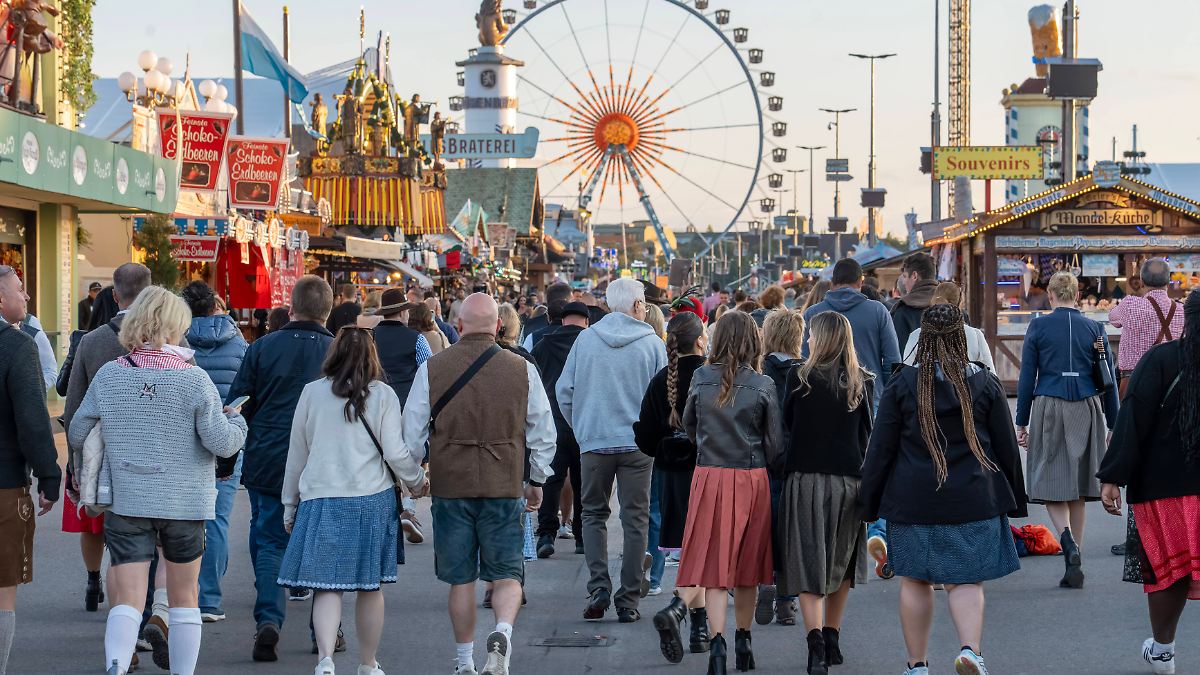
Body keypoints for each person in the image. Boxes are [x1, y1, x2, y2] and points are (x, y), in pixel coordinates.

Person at [68, 286, 248, 675]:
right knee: (185, 597)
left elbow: (78, 431)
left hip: (128, 500)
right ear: (176, 326)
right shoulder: (194, 380)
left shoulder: (110, 376)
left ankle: (116, 666)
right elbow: (221, 441)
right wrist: (237, 421)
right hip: (184, 504)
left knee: (128, 599)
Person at [859, 304, 1028, 675]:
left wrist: (868, 505)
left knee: (916, 581)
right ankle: (970, 651)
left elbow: (881, 448)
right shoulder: (983, 382)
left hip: (913, 499)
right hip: (974, 497)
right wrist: (1016, 499)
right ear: (961, 337)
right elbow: (1005, 447)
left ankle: (917, 666)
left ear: (923, 339)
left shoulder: (903, 383)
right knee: (966, 581)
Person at [401, 293, 555, 675]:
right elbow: (543, 431)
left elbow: (411, 433)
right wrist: (536, 478)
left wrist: (415, 480)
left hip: (452, 484)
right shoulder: (521, 369)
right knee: (507, 573)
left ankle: (464, 661)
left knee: (461, 580)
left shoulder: (433, 368)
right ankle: (502, 630)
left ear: (460, 324)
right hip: (504, 483)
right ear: (498, 326)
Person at [280, 327, 428, 675]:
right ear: (372, 358)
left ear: (333, 355)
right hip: (371, 501)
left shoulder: (312, 393)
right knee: (369, 586)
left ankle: (326, 659)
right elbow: (395, 452)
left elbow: (296, 454)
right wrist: (417, 481)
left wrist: (290, 504)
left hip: (321, 498)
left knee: (327, 587)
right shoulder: (384, 395)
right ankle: (368, 662)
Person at [226, 276, 337, 661]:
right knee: (321, 541)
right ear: (328, 309)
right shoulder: (336, 350)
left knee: (270, 538)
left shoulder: (262, 347)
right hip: (324, 460)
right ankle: (325, 629)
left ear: (292, 306)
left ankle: (269, 619)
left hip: (269, 455)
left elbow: (239, 402)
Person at [1098, 289, 1200, 675]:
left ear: (1187, 320)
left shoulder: (1160, 360)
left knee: (1168, 573)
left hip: (1164, 488)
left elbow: (1133, 418)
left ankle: (1163, 650)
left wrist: (1112, 478)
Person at [557, 277, 667, 623]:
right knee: (635, 520)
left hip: (595, 440)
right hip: (638, 444)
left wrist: (582, 426)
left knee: (592, 514)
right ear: (637, 306)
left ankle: (598, 585)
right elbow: (664, 397)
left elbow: (565, 389)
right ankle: (629, 597)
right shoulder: (652, 344)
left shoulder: (587, 340)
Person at [678, 310, 782, 674]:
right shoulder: (763, 384)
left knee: (714, 569)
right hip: (751, 478)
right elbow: (775, 444)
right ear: (754, 341)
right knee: (748, 568)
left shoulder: (700, 377)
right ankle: (744, 640)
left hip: (709, 476)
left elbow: (689, 426)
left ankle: (717, 644)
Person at [777, 312, 873, 674]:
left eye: (813, 336)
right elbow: (869, 436)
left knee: (808, 561)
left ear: (821, 339)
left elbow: (786, 428)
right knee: (841, 564)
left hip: (805, 480)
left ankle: (815, 641)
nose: (809, 341)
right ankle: (832, 637)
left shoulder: (798, 378)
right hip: (849, 481)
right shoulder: (862, 382)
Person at [1015, 271, 1118, 589]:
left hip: (1050, 403)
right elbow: (1108, 376)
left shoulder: (1039, 326)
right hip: (1087, 406)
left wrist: (1022, 420)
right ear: (1076, 294)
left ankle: (1066, 540)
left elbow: (1027, 376)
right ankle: (1079, 557)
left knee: (1050, 478)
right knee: (1078, 485)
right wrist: (1114, 423)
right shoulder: (1095, 328)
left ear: (1051, 295)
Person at [63, 264, 152, 615]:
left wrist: (75, 462)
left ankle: (106, 597)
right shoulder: (170, 340)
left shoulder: (92, 341)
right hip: (151, 452)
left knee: (105, 526)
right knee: (139, 539)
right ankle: (145, 610)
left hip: (101, 452)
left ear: (114, 296)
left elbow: (74, 407)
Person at [634, 312, 711, 664]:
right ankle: (689, 617)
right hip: (710, 472)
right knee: (707, 553)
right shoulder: (713, 377)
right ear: (700, 340)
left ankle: (695, 623)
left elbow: (646, 438)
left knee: (689, 551)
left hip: (672, 478)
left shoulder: (661, 380)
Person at [0, 269, 60, 675]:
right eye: (19, 289)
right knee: (3, 589)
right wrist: (50, 476)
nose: (26, 297)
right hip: (3, 484)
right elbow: (33, 420)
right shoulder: (16, 346)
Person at [181, 281, 249, 625]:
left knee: (183, 517)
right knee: (218, 518)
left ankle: (180, 594)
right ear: (215, 306)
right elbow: (247, 389)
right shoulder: (238, 341)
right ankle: (209, 599)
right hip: (225, 440)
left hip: (183, 440)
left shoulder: (177, 340)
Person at [369, 290, 432, 545]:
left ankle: (388, 515)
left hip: (373, 407)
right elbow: (429, 372)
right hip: (408, 407)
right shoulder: (416, 339)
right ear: (404, 312)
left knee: (380, 459)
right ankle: (408, 506)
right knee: (412, 456)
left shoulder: (370, 338)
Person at [756, 309, 806, 626]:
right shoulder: (806, 372)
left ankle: (764, 580)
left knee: (764, 527)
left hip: (763, 460)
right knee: (792, 531)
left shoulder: (760, 372)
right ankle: (787, 602)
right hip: (799, 462)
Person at [532, 301, 589, 559]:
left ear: (562, 320)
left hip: (552, 420)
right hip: (583, 420)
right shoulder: (590, 344)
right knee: (582, 482)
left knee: (551, 481)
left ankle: (546, 534)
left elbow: (534, 379)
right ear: (586, 321)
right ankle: (581, 537)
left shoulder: (544, 343)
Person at [803, 259, 899, 409]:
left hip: (822, 399)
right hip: (870, 398)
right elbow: (891, 360)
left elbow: (803, 359)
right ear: (860, 282)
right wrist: (889, 397)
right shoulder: (878, 311)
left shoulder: (813, 313)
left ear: (832, 282)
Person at [1109, 258, 1184, 398]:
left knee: (1131, 420)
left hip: (1134, 382)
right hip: (1172, 385)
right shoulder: (1182, 310)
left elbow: (1112, 318)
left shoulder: (1130, 305)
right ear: (1168, 282)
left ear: (1142, 281)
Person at [902, 282, 995, 372]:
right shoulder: (976, 336)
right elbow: (991, 376)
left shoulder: (916, 336)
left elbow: (907, 375)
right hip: (968, 387)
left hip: (924, 387)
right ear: (960, 303)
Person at [890, 253, 940, 350]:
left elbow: (899, 354)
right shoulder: (954, 306)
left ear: (914, 276)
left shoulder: (903, 311)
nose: (903, 282)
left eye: (905, 276)